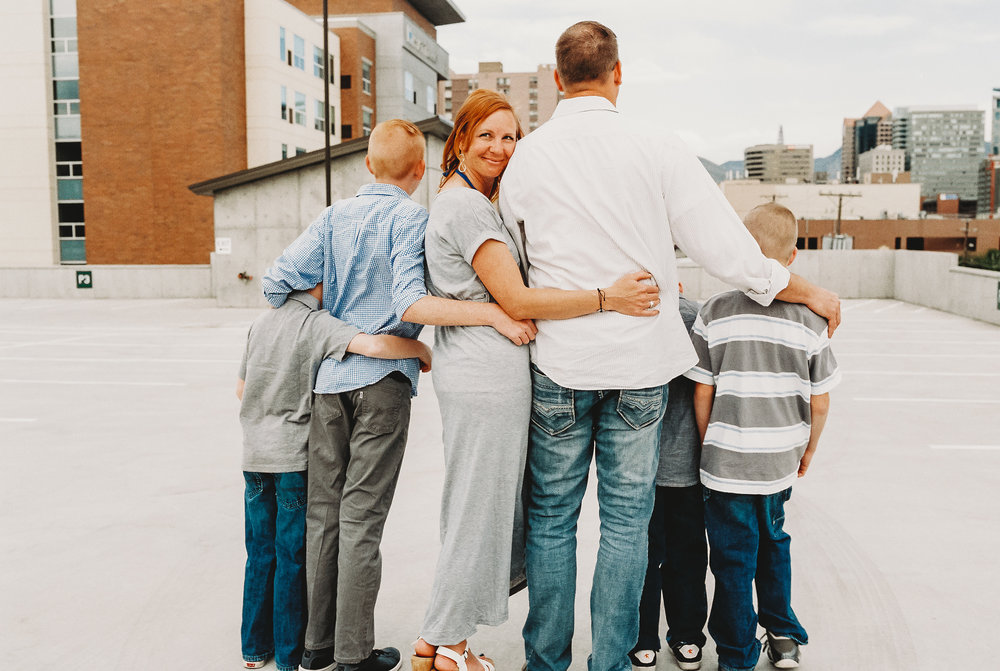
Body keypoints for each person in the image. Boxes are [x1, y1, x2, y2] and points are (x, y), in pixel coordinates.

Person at [497, 21, 842, 671]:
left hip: (561, 366)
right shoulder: (656, 146)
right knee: (628, 526)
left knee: (551, 522)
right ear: (618, 74)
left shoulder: (528, 159)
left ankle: (544, 660)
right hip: (637, 369)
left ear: (555, 79)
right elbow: (730, 250)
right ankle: (609, 663)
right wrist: (807, 290)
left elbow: (511, 257)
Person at [260, 119, 535, 671]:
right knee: (362, 517)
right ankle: (352, 653)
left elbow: (275, 283)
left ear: (367, 164)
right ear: (420, 171)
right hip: (381, 387)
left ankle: (316, 648)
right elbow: (414, 297)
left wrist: (330, 312)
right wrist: (414, 346)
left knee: (323, 515)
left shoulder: (334, 216)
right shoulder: (416, 218)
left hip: (329, 380)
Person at [411, 89, 661, 671]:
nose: (501, 148)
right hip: (486, 377)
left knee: (479, 506)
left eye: (510, 136)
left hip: (479, 370)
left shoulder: (469, 199)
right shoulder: (469, 208)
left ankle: (438, 639)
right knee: (480, 509)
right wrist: (608, 297)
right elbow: (518, 298)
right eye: (487, 136)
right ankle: (447, 643)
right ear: (460, 141)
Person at [236, 283, 432, 671]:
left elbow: (242, 390)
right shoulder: (316, 324)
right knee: (293, 555)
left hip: (254, 457)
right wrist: (421, 350)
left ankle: (254, 650)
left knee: (260, 552)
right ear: (314, 284)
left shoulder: (260, 323)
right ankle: (291, 654)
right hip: (291, 458)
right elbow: (374, 347)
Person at [685, 203, 840, 671]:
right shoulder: (811, 321)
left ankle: (735, 654)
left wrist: (709, 442)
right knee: (774, 542)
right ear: (791, 258)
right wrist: (809, 447)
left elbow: (701, 390)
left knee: (732, 559)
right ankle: (783, 633)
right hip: (777, 463)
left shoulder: (714, 311)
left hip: (726, 466)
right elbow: (820, 400)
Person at [628, 288, 708, 671]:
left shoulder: (631, 309)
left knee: (641, 554)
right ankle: (687, 637)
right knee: (687, 555)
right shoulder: (696, 313)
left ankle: (642, 641)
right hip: (686, 463)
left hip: (637, 463)